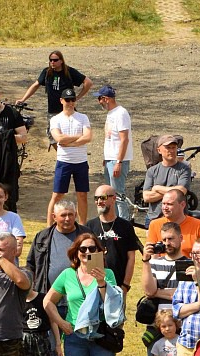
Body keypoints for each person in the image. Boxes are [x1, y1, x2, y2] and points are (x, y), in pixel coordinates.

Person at [140, 221, 186, 356]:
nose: (168, 243)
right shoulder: (154, 263)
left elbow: (187, 295)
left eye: (172, 239)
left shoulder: (188, 264)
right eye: (164, 239)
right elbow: (149, 291)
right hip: (158, 329)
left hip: (184, 327)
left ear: (181, 239)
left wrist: (163, 293)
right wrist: (146, 261)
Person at [47, 88, 92, 226]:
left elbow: (88, 137)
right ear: (61, 101)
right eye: (68, 100)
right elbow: (59, 138)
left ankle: (83, 226)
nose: (71, 102)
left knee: (82, 195)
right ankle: (49, 226)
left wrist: (70, 143)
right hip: (64, 161)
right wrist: (79, 137)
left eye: (73, 99)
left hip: (81, 161)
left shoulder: (83, 117)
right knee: (57, 195)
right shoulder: (55, 119)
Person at [86, 184, 142, 294]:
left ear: (113, 199)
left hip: (118, 286)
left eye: (103, 198)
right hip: (93, 286)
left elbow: (131, 258)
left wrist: (125, 286)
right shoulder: (89, 226)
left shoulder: (126, 226)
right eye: (96, 198)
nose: (99, 201)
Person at [17, 50, 92, 130]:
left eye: (55, 60)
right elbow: (35, 85)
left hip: (68, 110)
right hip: (53, 111)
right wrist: (23, 99)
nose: (52, 62)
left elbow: (88, 82)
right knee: (53, 137)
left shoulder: (69, 72)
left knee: (69, 134)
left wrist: (78, 97)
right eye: (50, 60)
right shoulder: (47, 72)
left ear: (61, 61)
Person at [95, 86, 132, 220]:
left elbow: (124, 139)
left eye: (100, 98)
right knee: (110, 194)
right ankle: (114, 219)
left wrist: (119, 162)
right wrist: (107, 158)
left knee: (118, 194)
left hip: (117, 160)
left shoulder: (121, 113)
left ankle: (124, 222)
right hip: (110, 159)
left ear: (106, 99)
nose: (99, 101)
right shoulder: (111, 113)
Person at [146, 188, 200, 256]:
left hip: (190, 265)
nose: (165, 208)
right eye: (163, 204)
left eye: (169, 204)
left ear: (182, 205)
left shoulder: (198, 225)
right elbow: (150, 255)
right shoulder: (155, 225)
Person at [141, 135, 192, 222]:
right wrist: (173, 193)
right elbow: (146, 197)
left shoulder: (184, 168)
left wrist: (157, 188)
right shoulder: (152, 171)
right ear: (159, 150)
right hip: (154, 217)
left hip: (177, 218)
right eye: (168, 148)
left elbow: (181, 191)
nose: (172, 151)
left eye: (174, 147)